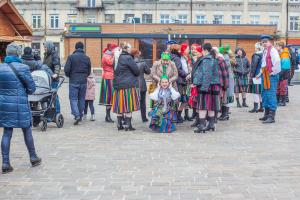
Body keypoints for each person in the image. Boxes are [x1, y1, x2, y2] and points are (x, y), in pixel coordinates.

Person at [0, 43, 41, 174]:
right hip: (20, 104)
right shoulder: (23, 67)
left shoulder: (0, 68)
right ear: (17, 53)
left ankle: (5, 163)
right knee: (27, 130)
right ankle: (33, 157)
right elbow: (32, 88)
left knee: (7, 132)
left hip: (4, 104)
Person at [192, 43, 221, 133]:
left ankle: (201, 126)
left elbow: (207, 74)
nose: (201, 52)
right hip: (212, 85)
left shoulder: (207, 59)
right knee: (211, 106)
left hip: (206, 85)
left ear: (205, 50)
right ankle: (211, 124)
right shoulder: (213, 58)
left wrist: (204, 87)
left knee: (202, 106)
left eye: (202, 50)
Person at [112, 42, 140, 131]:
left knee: (120, 106)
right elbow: (137, 71)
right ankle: (128, 126)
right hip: (128, 85)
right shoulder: (128, 58)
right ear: (127, 49)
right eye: (130, 48)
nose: (131, 50)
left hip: (117, 85)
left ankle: (119, 125)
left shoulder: (116, 58)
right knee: (128, 105)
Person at [64, 42, 92, 125]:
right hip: (83, 81)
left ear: (75, 48)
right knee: (81, 99)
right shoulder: (87, 58)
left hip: (73, 81)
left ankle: (77, 115)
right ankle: (80, 114)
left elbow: (66, 69)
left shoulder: (71, 57)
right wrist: (84, 76)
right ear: (83, 48)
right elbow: (89, 70)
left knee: (73, 99)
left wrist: (69, 75)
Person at [259, 35, 281, 124]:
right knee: (264, 94)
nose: (264, 43)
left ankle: (272, 116)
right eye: (263, 42)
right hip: (264, 75)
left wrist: (272, 72)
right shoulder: (265, 51)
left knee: (271, 94)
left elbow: (277, 62)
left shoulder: (272, 50)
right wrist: (260, 74)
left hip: (271, 75)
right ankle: (267, 114)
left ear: (270, 42)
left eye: (265, 41)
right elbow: (263, 64)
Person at [99, 43, 118, 123]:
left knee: (112, 97)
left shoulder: (109, 55)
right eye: (115, 49)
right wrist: (115, 55)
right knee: (109, 97)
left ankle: (108, 116)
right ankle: (107, 116)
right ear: (111, 49)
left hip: (111, 77)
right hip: (108, 77)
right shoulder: (106, 56)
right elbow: (111, 63)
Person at [131, 49, 151, 122]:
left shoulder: (130, 62)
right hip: (141, 84)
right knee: (142, 102)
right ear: (138, 54)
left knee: (130, 101)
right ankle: (144, 118)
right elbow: (148, 72)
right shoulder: (143, 63)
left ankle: (128, 117)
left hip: (132, 84)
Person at [170, 44, 188, 123]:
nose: (180, 51)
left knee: (173, 99)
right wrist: (186, 74)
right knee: (180, 99)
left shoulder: (169, 57)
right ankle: (177, 116)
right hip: (179, 81)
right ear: (176, 50)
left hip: (171, 81)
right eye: (179, 50)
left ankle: (173, 116)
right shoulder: (177, 58)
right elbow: (178, 70)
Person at [43, 41, 61, 114]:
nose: (44, 48)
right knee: (48, 97)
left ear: (49, 47)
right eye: (44, 47)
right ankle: (49, 112)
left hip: (53, 79)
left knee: (54, 96)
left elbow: (57, 65)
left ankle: (57, 112)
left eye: (45, 47)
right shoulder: (46, 55)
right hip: (47, 79)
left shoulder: (54, 55)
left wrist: (56, 73)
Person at [213, 47, 229, 121]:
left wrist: (225, 85)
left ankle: (224, 114)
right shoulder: (212, 61)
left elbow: (225, 73)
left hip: (221, 83)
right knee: (217, 100)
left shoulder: (220, 60)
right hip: (216, 83)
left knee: (222, 99)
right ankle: (218, 116)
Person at [189, 43, 203, 127]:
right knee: (195, 102)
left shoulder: (200, 59)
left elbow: (199, 72)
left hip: (198, 84)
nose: (193, 51)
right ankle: (197, 120)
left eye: (194, 49)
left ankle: (200, 120)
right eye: (192, 49)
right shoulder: (193, 59)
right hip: (194, 83)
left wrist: (195, 83)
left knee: (198, 103)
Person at [220, 45, 235, 120]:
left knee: (226, 96)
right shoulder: (228, 57)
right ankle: (224, 114)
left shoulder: (225, 57)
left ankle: (225, 114)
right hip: (229, 78)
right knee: (227, 96)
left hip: (227, 79)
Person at [248, 42, 264, 113]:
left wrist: (251, 76)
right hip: (263, 75)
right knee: (260, 92)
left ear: (257, 47)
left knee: (256, 92)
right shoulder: (264, 54)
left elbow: (253, 66)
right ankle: (261, 107)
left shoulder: (256, 55)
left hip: (257, 75)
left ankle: (255, 108)